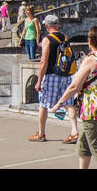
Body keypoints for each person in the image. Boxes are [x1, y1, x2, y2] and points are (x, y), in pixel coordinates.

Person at [52, 24, 97, 169]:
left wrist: (59, 103)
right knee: (83, 146)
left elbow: (75, 86)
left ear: (90, 41)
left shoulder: (90, 60)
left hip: (92, 110)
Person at [28, 14, 79, 145]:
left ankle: (41, 133)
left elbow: (43, 61)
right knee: (69, 103)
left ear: (46, 26)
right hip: (66, 75)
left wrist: (39, 81)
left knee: (43, 104)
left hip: (51, 76)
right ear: (57, 25)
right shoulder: (64, 37)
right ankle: (74, 131)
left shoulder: (47, 39)